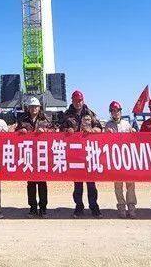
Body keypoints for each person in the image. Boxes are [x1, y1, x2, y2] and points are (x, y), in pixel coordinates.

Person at [62, 90, 103, 218]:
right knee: (78, 184)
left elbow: (99, 129)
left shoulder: (90, 114)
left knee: (91, 183)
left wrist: (91, 130)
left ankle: (94, 207)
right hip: (74, 153)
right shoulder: (67, 115)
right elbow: (58, 129)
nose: (78, 103)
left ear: (83, 100)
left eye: (80, 100)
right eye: (75, 100)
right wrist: (66, 130)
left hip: (88, 153)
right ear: (72, 101)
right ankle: (79, 207)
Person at [16, 97, 52, 218]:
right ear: (28, 108)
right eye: (31, 107)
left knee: (42, 183)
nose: (34, 109)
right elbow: (15, 133)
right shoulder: (23, 120)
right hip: (29, 156)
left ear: (39, 107)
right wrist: (20, 131)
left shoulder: (45, 119)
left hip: (42, 155)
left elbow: (54, 131)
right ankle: (32, 208)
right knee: (31, 184)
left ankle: (43, 208)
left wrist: (45, 130)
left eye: (36, 106)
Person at [103, 100, 137, 218]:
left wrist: (134, 133)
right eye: (113, 111)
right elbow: (103, 142)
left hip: (127, 159)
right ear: (110, 113)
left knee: (130, 184)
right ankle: (121, 206)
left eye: (117, 111)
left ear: (120, 112)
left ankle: (131, 207)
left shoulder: (127, 124)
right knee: (118, 185)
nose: (115, 113)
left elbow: (134, 139)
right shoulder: (108, 125)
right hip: (115, 159)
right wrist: (106, 134)